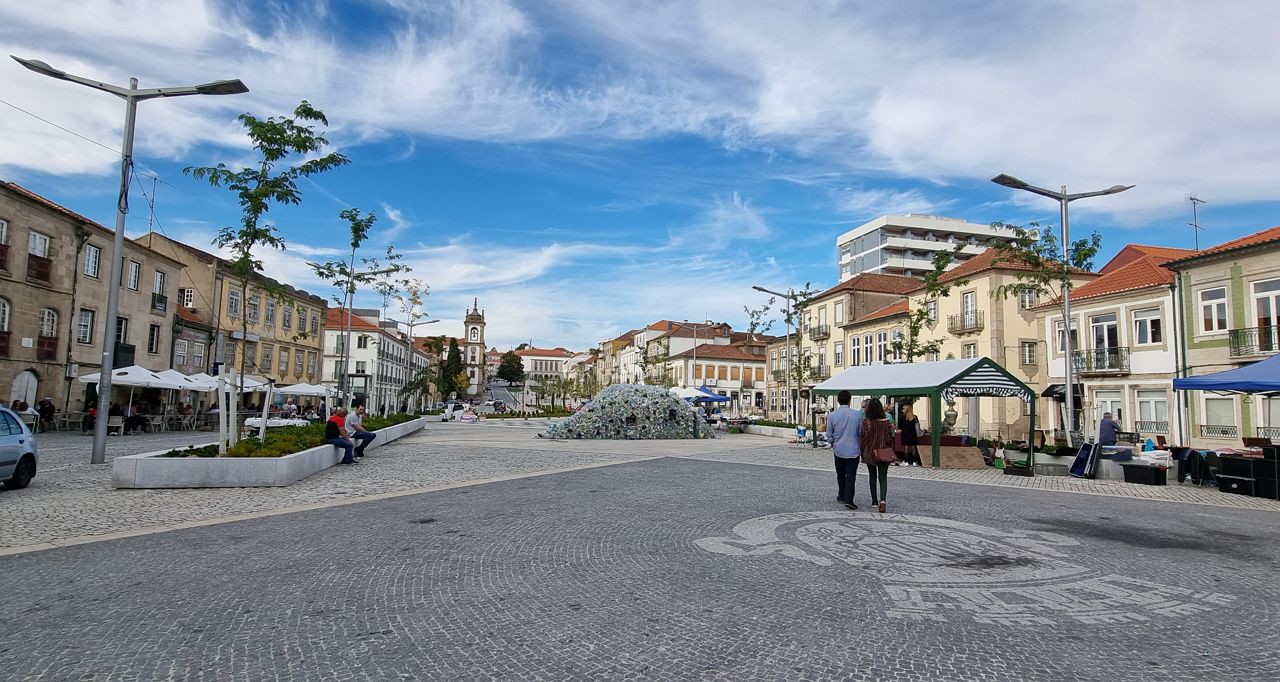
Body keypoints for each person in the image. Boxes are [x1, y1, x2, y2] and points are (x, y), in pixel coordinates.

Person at [825, 390, 864, 510]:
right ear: (850, 400)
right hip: (853, 449)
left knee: (840, 474)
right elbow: (860, 432)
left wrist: (833, 443)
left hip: (839, 449)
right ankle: (849, 498)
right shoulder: (857, 415)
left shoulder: (832, 415)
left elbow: (829, 434)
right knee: (851, 475)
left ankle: (841, 494)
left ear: (838, 400)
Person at [860, 398, 895, 514]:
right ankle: (883, 500)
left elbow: (863, 438)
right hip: (883, 452)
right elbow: (891, 437)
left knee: (872, 475)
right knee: (883, 477)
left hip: (870, 452)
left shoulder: (866, 422)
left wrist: (862, 451)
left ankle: (874, 501)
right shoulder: (886, 422)